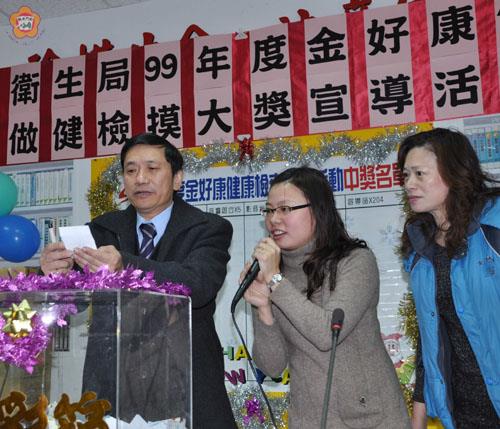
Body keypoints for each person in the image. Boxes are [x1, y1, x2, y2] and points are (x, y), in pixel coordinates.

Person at [40, 133, 237, 429]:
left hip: (184, 380)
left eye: (152, 168)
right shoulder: (102, 229)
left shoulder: (208, 228)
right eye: (131, 170)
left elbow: (198, 284)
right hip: (114, 386)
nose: (140, 178)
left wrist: (126, 265)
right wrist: (53, 276)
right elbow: (72, 305)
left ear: (177, 179)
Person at [241, 166, 410, 428]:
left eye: (285, 209)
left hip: (370, 420)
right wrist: (263, 307)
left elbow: (327, 334)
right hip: (309, 419)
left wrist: (275, 281)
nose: (274, 219)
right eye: (269, 210)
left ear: (318, 210)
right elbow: (271, 366)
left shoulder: (355, 261)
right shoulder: (276, 274)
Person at [397, 128, 500, 429]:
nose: (409, 184)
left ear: (454, 172)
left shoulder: (494, 226)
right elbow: (430, 338)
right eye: (406, 175)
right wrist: (418, 418)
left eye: (420, 174)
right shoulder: (419, 249)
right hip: (464, 413)